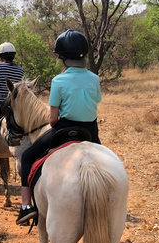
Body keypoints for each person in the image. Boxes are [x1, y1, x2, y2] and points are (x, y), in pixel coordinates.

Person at [16, 29, 102, 225]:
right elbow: (96, 101)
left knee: (28, 156)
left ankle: (25, 207)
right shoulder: (94, 78)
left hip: (64, 129)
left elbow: (53, 120)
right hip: (91, 131)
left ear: (62, 58)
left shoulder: (58, 80)